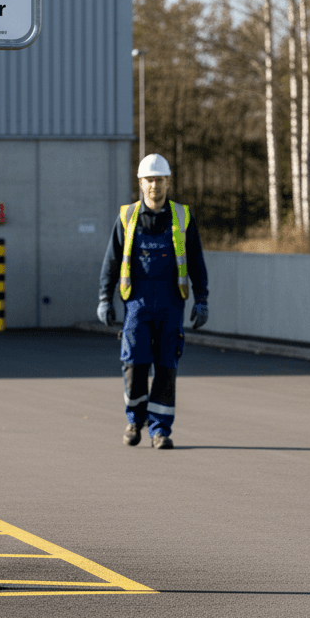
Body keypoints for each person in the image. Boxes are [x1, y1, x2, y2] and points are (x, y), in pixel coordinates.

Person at [97, 153, 209, 449]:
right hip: (136, 305)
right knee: (134, 363)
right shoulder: (127, 217)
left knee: (166, 366)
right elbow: (111, 261)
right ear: (140, 183)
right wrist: (104, 299)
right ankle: (135, 421)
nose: (154, 186)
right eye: (149, 180)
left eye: (159, 180)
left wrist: (202, 300)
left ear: (167, 182)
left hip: (172, 304)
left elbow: (196, 262)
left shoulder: (183, 217)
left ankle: (160, 430)